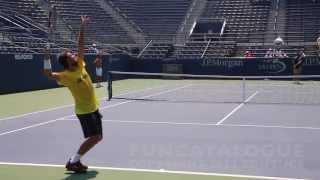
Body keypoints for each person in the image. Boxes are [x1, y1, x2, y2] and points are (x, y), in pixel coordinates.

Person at [43, 15, 103, 173]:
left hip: (93, 108)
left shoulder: (80, 64)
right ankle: (73, 161)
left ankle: (75, 161)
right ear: (67, 62)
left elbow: (80, 45)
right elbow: (48, 73)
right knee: (95, 137)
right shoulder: (66, 76)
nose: (75, 55)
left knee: (97, 137)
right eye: (72, 56)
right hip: (85, 111)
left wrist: (82, 26)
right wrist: (46, 55)